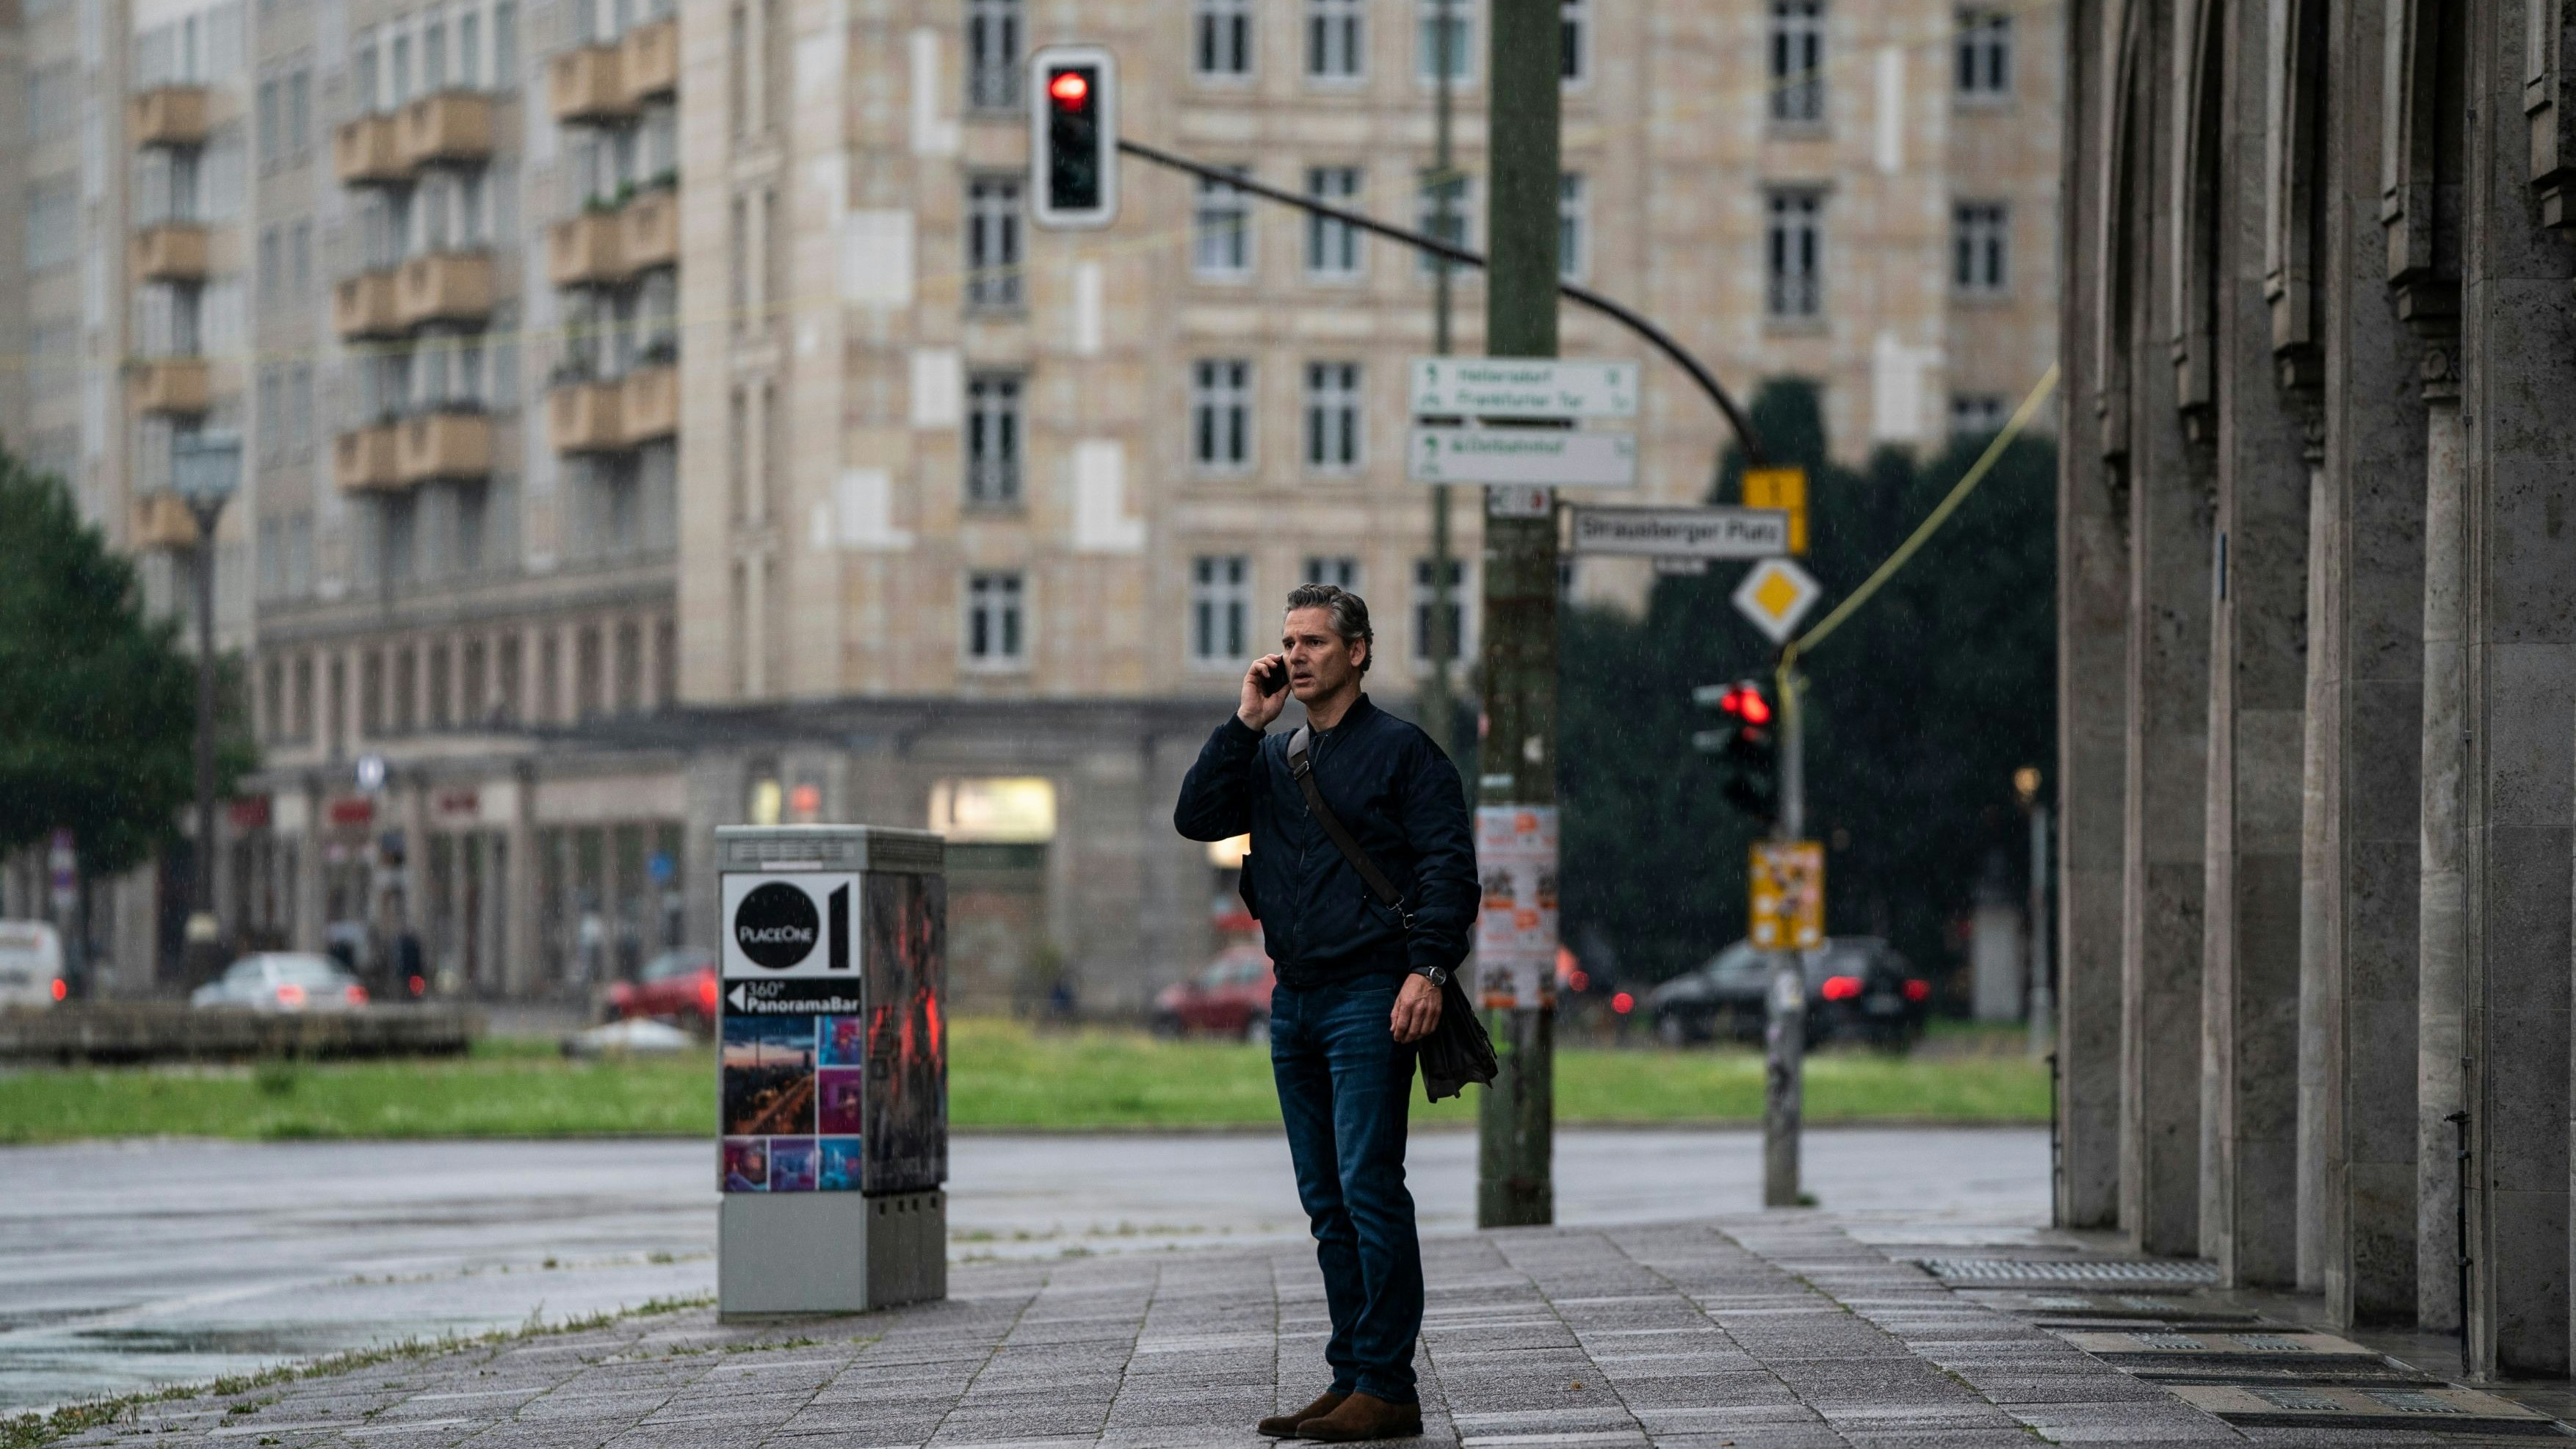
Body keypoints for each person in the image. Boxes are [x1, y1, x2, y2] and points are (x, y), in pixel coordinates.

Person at [1173, 584, 1477, 1442]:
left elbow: (1451, 871)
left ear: (1358, 651)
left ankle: (1386, 1381)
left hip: (1369, 996)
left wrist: (1428, 969)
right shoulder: (1275, 754)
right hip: (1294, 997)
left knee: (1369, 1186)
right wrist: (1244, 723)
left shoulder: (1403, 753)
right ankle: (1352, 1374)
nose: (1296, 654)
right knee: (1325, 1198)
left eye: (1313, 641)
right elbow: (1195, 816)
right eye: (1287, 641)